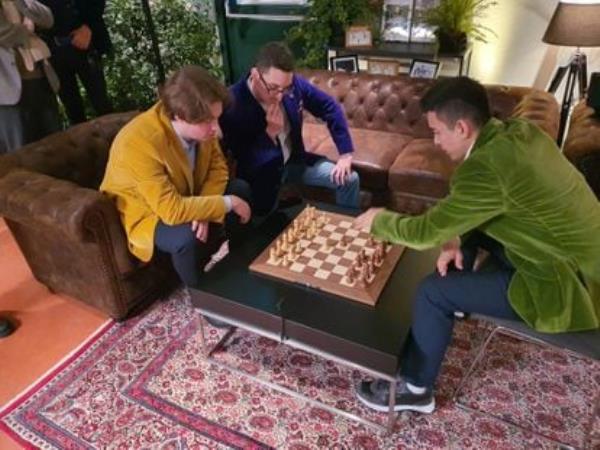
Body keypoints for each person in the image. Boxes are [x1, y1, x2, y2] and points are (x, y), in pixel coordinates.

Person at [353, 76, 600, 414]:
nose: (435, 142)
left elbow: (425, 231)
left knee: (430, 292)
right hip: (574, 254)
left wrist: (380, 220)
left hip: (570, 284)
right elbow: (483, 205)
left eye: (438, 132)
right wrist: (454, 237)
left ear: (463, 128)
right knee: (459, 241)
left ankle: (415, 388)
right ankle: (454, 301)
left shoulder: (486, 168)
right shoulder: (518, 133)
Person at [100, 66, 252, 291]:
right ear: (180, 117)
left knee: (240, 188)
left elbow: (219, 168)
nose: (217, 130)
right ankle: (204, 299)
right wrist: (225, 203)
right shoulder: (139, 141)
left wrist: (204, 207)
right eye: (209, 122)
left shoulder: (200, 120)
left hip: (186, 193)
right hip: (148, 212)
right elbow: (170, 210)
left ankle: (242, 265)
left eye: (217, 119)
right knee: (186, 237)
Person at [219, 41, 360, 216]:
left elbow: (329, 107)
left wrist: (345, 153)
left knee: (349, 179)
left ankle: (349, 228)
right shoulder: (232, 105)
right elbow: (245, 166)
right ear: (255, 75)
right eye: (273, 88)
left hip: (295, 163)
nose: (280, 96)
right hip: (263, 179)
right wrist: (269, 135)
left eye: (285, 89)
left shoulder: (293, 86)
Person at [0, 0, 61, 153]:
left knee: (56, 145)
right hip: (8, 91)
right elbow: (4, 32)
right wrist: (27, 30)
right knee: (21, 153)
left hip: (41, 79)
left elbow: (48, 19)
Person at [38, 0, 112, 125]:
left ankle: (119, 142)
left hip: (85, 41)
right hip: (52, 49)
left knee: (101, 104)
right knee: (73, 111)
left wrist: (89, 26)